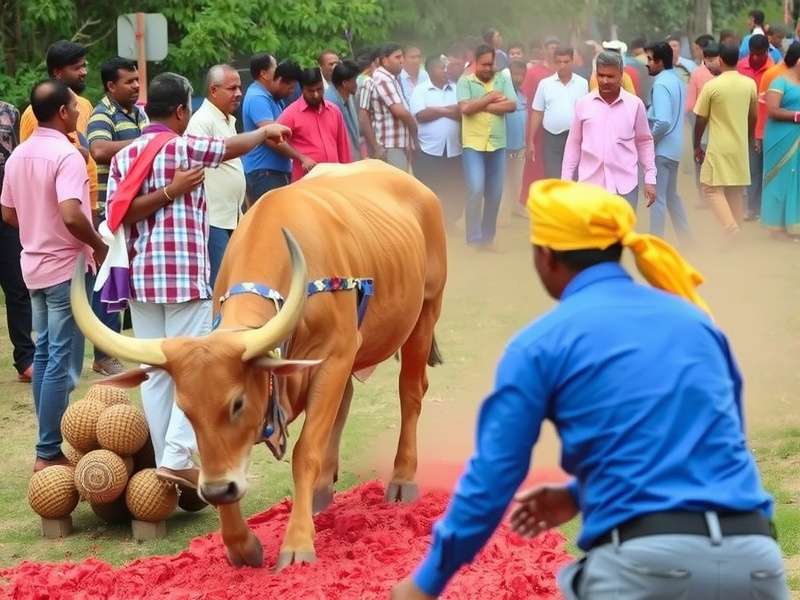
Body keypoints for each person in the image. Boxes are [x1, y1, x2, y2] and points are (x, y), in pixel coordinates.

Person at [391, 179, 788, 600]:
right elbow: (720, 441)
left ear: (545, 257)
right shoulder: (698, 322)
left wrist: (426, 582)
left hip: (640, 569)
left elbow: (494, 478)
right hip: (754, 561)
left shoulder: (540, 344)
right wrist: (578, 496)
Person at [105, 72, 290, 488]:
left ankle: (167, 460)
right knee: (196, 372)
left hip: (141, 278)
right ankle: (173, 458)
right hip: (184, 278)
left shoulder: (123, 157)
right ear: (181, 111)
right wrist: (265, 131)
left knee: (155, 372)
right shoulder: (183, 147)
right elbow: (229, 147)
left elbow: (120, 213)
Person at [1, 80, 107, 472]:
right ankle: (47, 451)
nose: (80, 111)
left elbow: (9, 214)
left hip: (34, 267)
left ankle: (48, 446)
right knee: (60, 359)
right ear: (63, 112)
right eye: (75, 107)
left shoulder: (18, 154)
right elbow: (71, 212)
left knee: (45, 354)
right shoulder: (65, 154)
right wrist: (97, 244)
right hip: (64, 267)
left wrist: (36, 225)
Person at [86, 56, 148, 376]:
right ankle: (103, 353)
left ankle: (126, 345)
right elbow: (98, 150)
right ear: (111, 86)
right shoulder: (102, 114)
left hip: (136, 207)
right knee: (111, 278)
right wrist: (143, 143)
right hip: (110, 210)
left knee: (127, 278)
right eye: (129, 81)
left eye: (137, 80)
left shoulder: (139, 113)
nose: (136, 86)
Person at [562, 51, 656, 209]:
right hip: (589, 187)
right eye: (601, 75)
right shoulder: (583, 104)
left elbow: (644, 142)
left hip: (625, 187)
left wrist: (650, 179)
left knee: (622, 233)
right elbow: (573, 144)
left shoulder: (635, 105)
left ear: (621, 75)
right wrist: (566, 180)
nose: (604, 81)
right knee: (592, 233)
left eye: (610, 76)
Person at [19, 40, 98, 220]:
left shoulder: (85, 105)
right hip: (57, 212)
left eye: (84, 66)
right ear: (57, 72)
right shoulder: (34, 113)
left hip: (90, 203)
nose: (84, 72)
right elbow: (30, 168)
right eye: (77, 68)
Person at [185, 64, 246, 288]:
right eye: (232, 88)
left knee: (232, 280)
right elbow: (196, 160)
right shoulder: (201, 121)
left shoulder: (228, 119)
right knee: (218, 283)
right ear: (213, 90)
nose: (238, 93)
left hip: (232, 215)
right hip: (213, 218)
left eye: (239, 87)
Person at [457, 43, 517, 249]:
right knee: (475, 188)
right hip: (473, 144)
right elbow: (465, 108)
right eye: (483, 64)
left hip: (498, 143)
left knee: (495, 192)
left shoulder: (503, 79)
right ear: (475, 62)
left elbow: (511, 105)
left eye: (490, 64)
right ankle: (473, 237)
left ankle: (487, 239)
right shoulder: (465, 81)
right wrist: (491, 98)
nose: (487, 68)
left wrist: (481, 105)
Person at [694, 44, 757, 236]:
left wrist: (696, 145)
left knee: (710, 188)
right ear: (737, 59)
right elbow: (753, 116)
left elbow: (701, 118)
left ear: (720, 60)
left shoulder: (712, 86)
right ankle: (736, 230)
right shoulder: (749, 84)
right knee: (734, 190)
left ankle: (731, 229)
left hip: (719, 146)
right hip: (739, 145)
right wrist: (748, 137)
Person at [0, 99, 34, 383]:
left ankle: (25, 358)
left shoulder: (10, 112)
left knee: (18, 286)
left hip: (6, 211)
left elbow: (21, 159)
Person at [241, 54, 302, 207]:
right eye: (275, 67)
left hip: (274, 172)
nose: (278, 70)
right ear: (264, 73)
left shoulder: (272, 97)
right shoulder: (257, 98)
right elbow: (272, 138)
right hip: (265, 173)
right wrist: (300, 157)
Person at [409, 56, 463, 229]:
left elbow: (462, 112)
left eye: (446, 67)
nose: (446, 70)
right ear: (431, 70)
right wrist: (448, 110)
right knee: (431, 190)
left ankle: (449, 223)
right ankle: (431, 226)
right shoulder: (420, 90)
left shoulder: (457, 89)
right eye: (442, 67)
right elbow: (421, 116)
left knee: (454, 188)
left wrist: (436, 110)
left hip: (455, 149)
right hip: (429, 150)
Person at [646, 41, 690, 241]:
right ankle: (687, 239)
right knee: (672, 196)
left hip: (662, 149)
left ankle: (655, 242)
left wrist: (650, 140)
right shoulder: (676, 79)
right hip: (675, 148)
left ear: (660, 61)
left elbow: (663, 120)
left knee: (658, 198)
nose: (647, 63)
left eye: (649, 59)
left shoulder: (661, 83)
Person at [278, 67, 351, 181]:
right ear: (302, 90)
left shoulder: (334, 110)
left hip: (335, 178)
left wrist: (347, 173)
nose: (316, 95)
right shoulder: (291, 113)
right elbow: (273, 139)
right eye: (311, 91)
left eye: (319, 89)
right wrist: (301, 157)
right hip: (307, 180)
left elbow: (343, 147)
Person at [529, 47, 589, 180]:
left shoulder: (583, 83)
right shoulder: (545, 84)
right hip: (552, 138)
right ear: (554, 63)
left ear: (573, 61)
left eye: (566, 61)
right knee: (553, 177)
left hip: (576, 138)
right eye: (559, 62)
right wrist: (531, 141)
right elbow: (537, 113)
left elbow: (588, 113)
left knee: (574, 178)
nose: (562, 65)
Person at [762, 44, 800, 238]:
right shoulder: (779, 81)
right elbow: (772, 110)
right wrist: (796, 116)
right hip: (781, 138)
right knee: (779, 179)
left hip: (798, 139)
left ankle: (794, 224)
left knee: (797, 179)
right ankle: (775, 226)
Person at [359, 43, 418, 171]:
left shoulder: (392, 78)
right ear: (385, 61)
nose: (402, 60)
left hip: (395, 144)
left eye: (402, 56)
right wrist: (415, 132)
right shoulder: (382, 78)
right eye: (397, 57)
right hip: (389, 145)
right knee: (398, 187)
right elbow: (400, 112)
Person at [738, 34, 774, 221]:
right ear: (749, 52)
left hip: (769, 127)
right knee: (752, 170)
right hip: (745, 125)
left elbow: (769, 106)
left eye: (761, 54)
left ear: (767, 52)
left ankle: (762, 209)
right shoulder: (741, 66)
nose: (758, 58)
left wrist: (760, 132)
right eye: (754, 54)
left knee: (766, 169)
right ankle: (751, 208)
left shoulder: (773, 71)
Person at [501, 60, 529, 220]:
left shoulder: (523, 94)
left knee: (516, 178)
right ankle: (502, 213)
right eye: (515, 73)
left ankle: (514, 207)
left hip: (519, 146)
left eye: (521, 74)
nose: (518, 77)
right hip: (504, 146)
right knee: (503, 179)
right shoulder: (502, 93)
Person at [325, 60, 363, 160]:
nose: (357, 84)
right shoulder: (329, 103)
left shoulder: (348, 95)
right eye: (355, 80)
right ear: (345, 83)